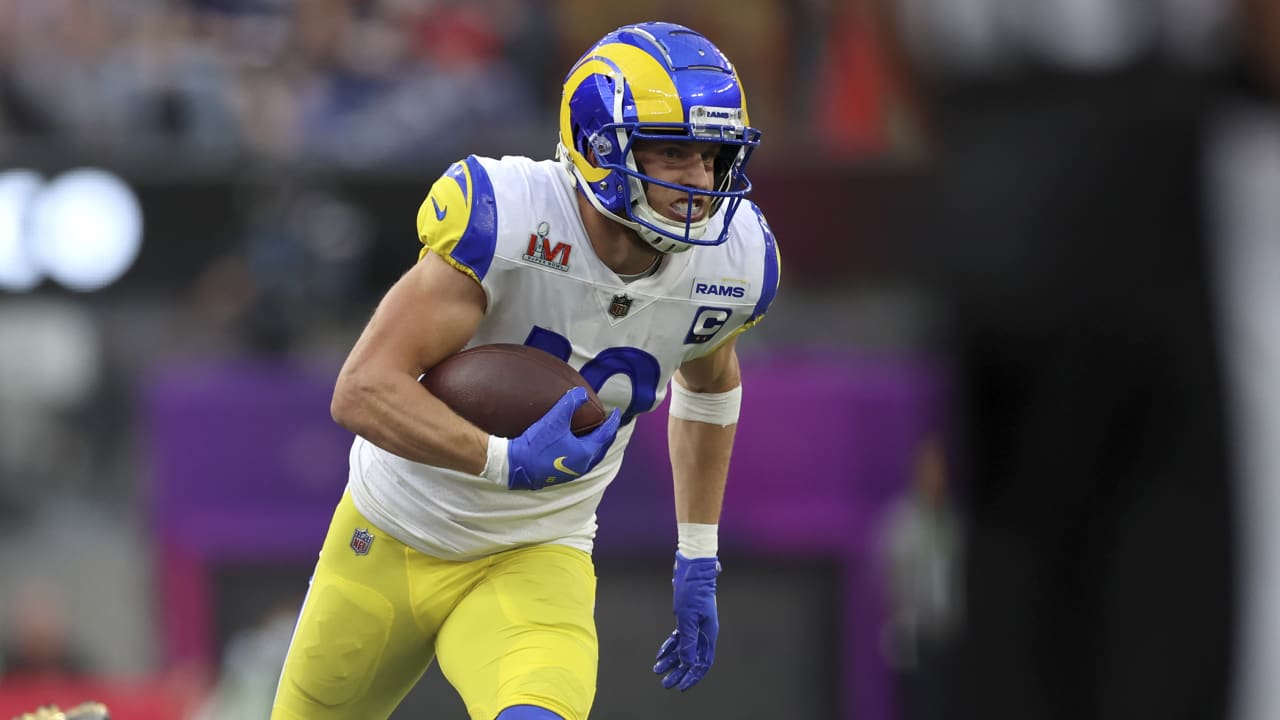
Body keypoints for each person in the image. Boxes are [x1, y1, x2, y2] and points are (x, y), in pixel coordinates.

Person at [269, 21, 780, 720]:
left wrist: (698, 552)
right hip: (393, 532)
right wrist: (501, 460)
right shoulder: (507, 219)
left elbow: (711, 381)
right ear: (601, 150)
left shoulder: (733, 263)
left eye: (711, 158)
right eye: (672, 155)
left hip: (537, 550)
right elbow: (361, 389)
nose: (698, 182)